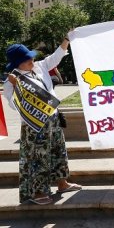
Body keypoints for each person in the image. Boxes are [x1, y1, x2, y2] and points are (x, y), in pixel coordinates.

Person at [3, 35, 81, 205]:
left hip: (52, 118)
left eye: (30, 56)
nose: (31, 59)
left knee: (58, 151)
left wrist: (67, 39)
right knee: (38, 158)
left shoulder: (39, 67)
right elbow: (15, 106)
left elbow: (56, 56)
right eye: (27, 58)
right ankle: (38, 192)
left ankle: (62, 184)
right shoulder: (12, 81)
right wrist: (18, 87)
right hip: (34, 125)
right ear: (18, 63)